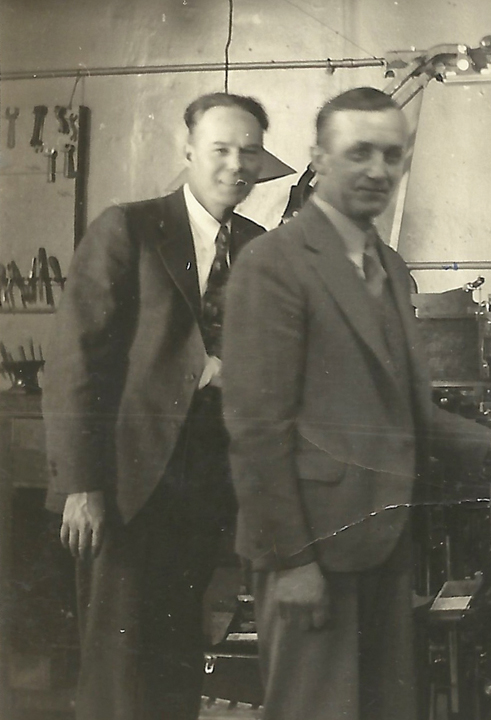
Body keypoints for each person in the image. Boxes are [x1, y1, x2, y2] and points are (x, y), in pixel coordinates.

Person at [220, 87, 491, 720]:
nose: (377, 170)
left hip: (384, 544)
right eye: (358, 151)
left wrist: (488, 442)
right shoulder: (272, 265)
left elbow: (404, 406)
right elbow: (256, 430)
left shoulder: (390, 268)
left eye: (391, 155)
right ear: (319, 159)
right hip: (312, 548)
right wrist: (292, 562)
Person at [42, 92, 269, 720]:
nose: (235, 164)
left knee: (177, 659)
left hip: (209, 485)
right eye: (220, 148)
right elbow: (74, 363)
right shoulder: (130, 228)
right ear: (189, 150)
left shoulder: (260, 246)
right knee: (117, 671)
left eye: (248, 151)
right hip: (126, 483)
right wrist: (80, 487)